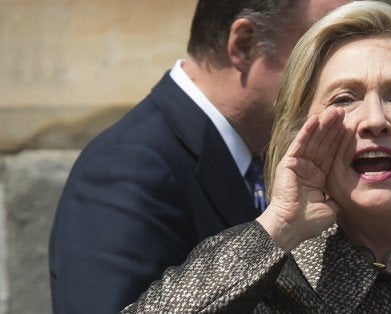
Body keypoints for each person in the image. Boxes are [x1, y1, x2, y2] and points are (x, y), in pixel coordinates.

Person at [123, 1, 391, 312]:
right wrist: (280, 225)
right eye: (345, 99)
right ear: (301, 134)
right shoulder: (271, 278)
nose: (374, 120)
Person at [48, 0, 347, 313]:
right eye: (323, 51)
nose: (343, 73)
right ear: (245, 45)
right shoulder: (128, 168)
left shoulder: (263, 153)